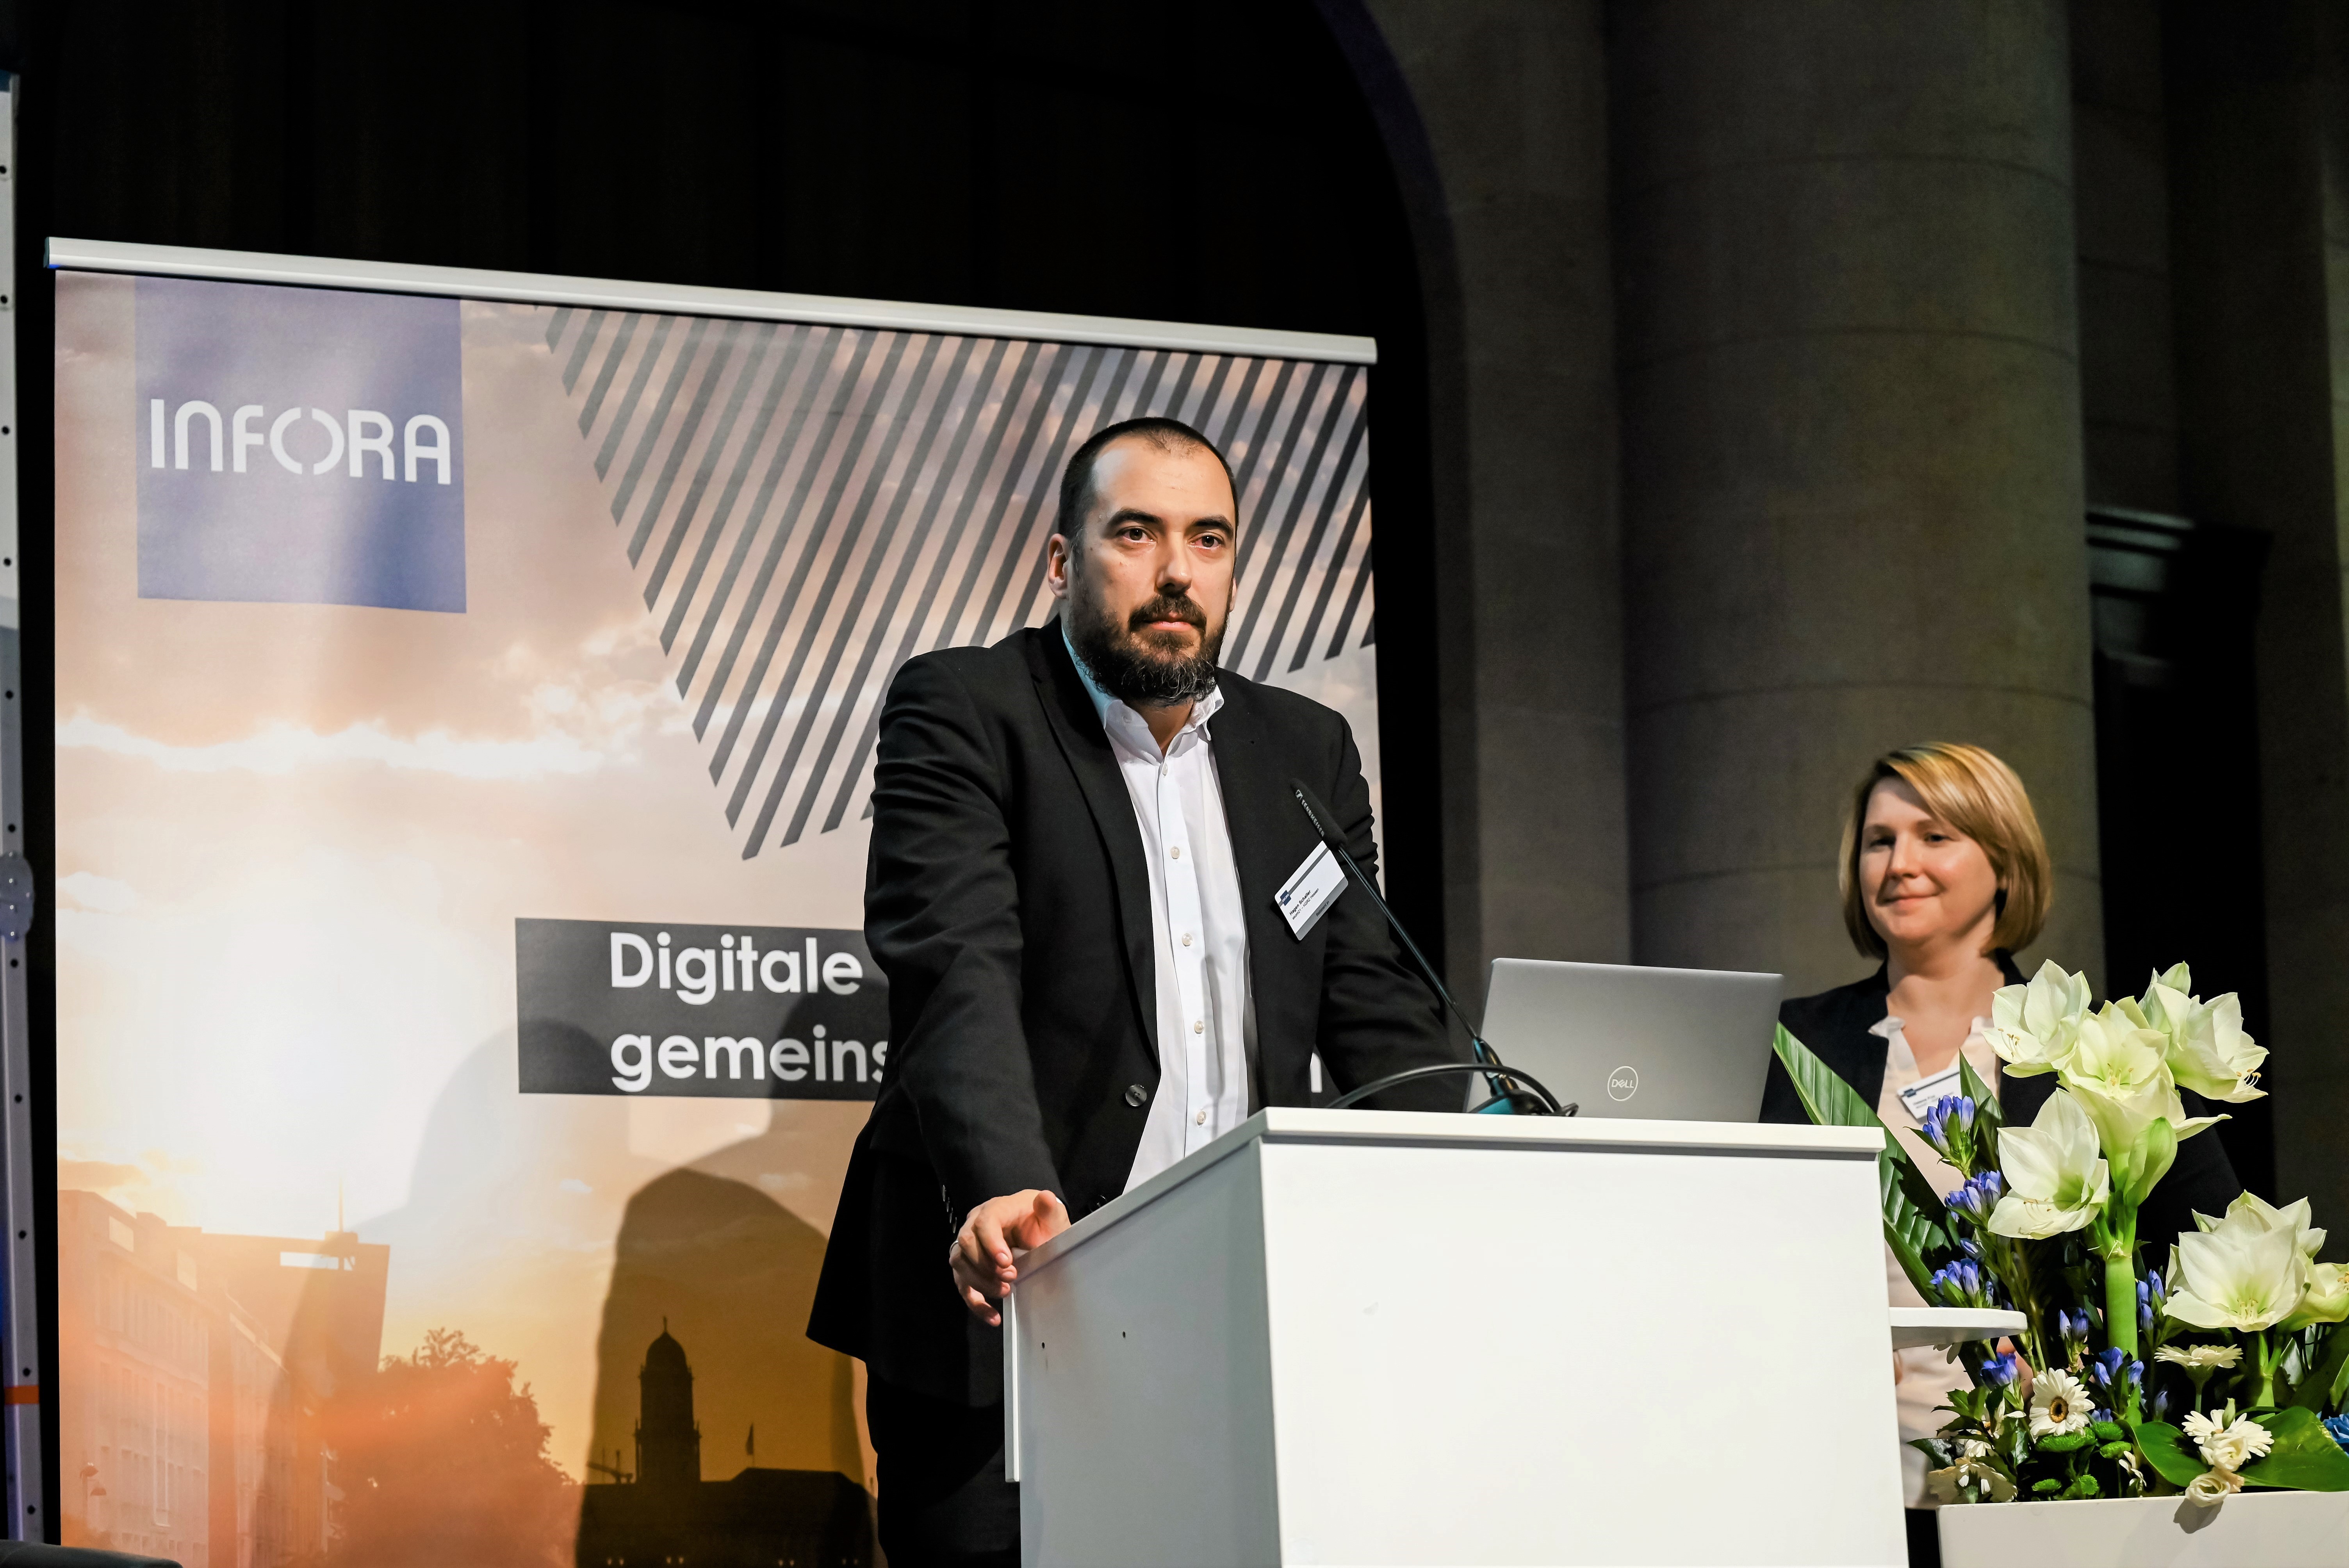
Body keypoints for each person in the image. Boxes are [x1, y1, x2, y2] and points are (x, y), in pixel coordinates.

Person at [808, 415, 1462, 1566]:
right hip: (1008, 1311)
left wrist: (1480, 1160)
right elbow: (958, 966)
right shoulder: (967, 708)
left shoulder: (1304, 750)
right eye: (1137, 534)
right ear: (1064, 561)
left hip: (1229, 1313)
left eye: (1208, 540)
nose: (1176, 572)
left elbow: (1377, 1008)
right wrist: (1004, 1187)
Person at [1761, 741, 2241, 1516]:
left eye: (1934, 836)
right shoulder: (1788, 1044)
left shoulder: (2100, 1049)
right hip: (1834, 1470)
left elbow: (2220, 1257)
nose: (1898, 862)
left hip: (2047, 1482)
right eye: (1879, 840)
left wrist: (2092, 1378)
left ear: (2004, 864)